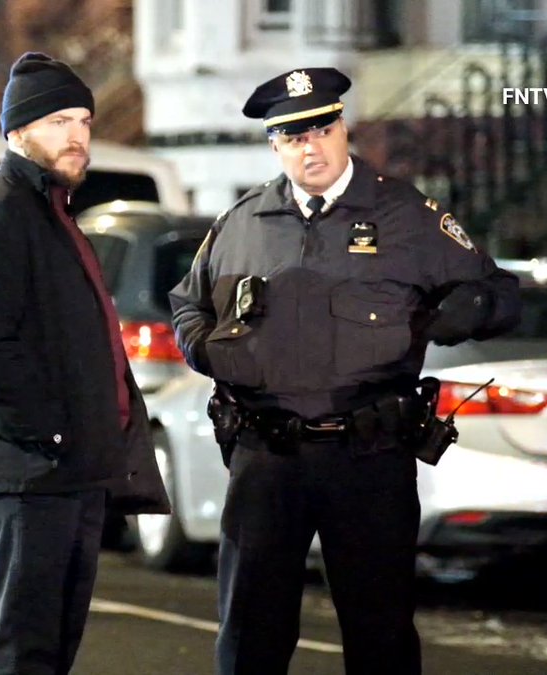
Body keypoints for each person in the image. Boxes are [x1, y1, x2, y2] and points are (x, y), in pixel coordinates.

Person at [170, 68, 521, 674]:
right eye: (296, 136)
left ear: (344, 128)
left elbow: (499, 292)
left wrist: (472, 307)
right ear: (274, 146)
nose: (313, 146)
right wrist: (204, 348)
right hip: (265, 456)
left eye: (325, 129)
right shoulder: (243, 223)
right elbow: (188, 303)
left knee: (379, 633)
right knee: (249, 633)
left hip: (367, 458)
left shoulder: (405, 213)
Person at [0, 52, 168, 675]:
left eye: (83, 121)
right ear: (17, 132)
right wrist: (51, 432)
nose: (76, 135)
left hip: (67, 475)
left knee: (50, 653)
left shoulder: (50, 212)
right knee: (25, 653)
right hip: (28, 477)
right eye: (56, 121)